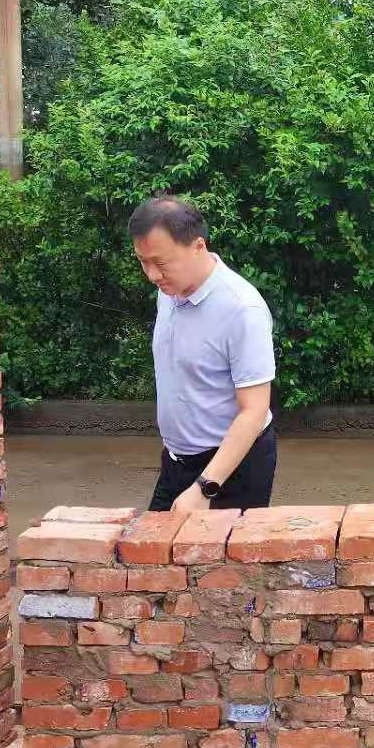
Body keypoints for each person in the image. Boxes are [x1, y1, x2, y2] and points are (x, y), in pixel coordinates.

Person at [129, 196, 277, 512]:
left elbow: (254, 411)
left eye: (161, 263)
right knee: (153, 541)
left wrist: (203, 488)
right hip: (176, 461)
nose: (152, 275)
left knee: (223, 546)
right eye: (143, 262)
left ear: (198, 246)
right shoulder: (168, 291)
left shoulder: (242, 309)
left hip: (232, 468)